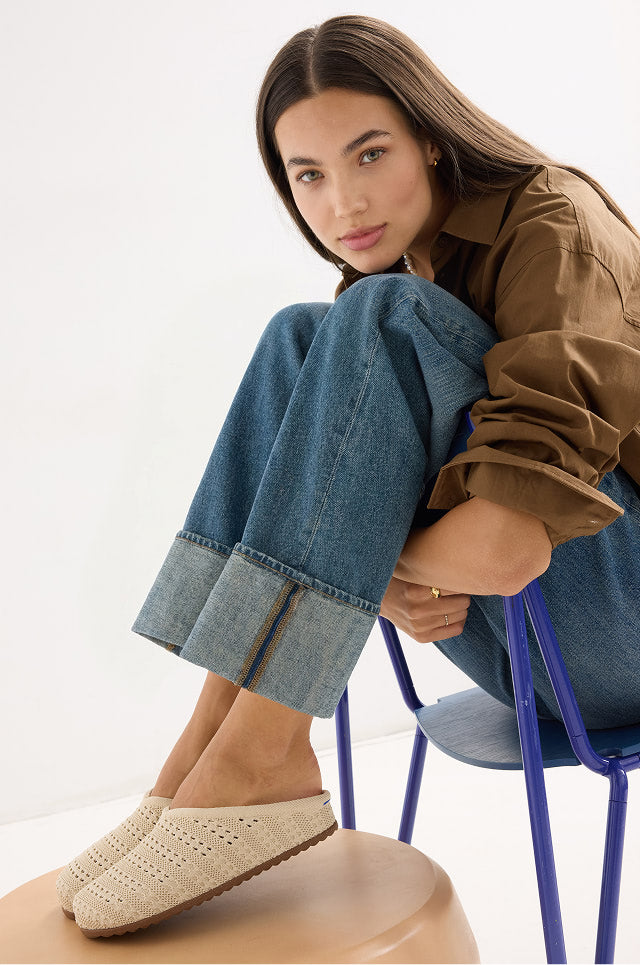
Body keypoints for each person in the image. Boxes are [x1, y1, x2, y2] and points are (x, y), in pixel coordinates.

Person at [56, 14, 640, 938]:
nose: (342, 205)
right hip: (520, 649)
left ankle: (261, 759)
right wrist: (388, 571)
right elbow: (417, 547)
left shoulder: (552, 223)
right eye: (311, 176)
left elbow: (507, 547)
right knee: (304, 335)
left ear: (433, 142)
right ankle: (203, 760)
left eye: (371, 155)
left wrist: (377, 564)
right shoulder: (383, 283)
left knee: (378, 318)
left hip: (618, 639)